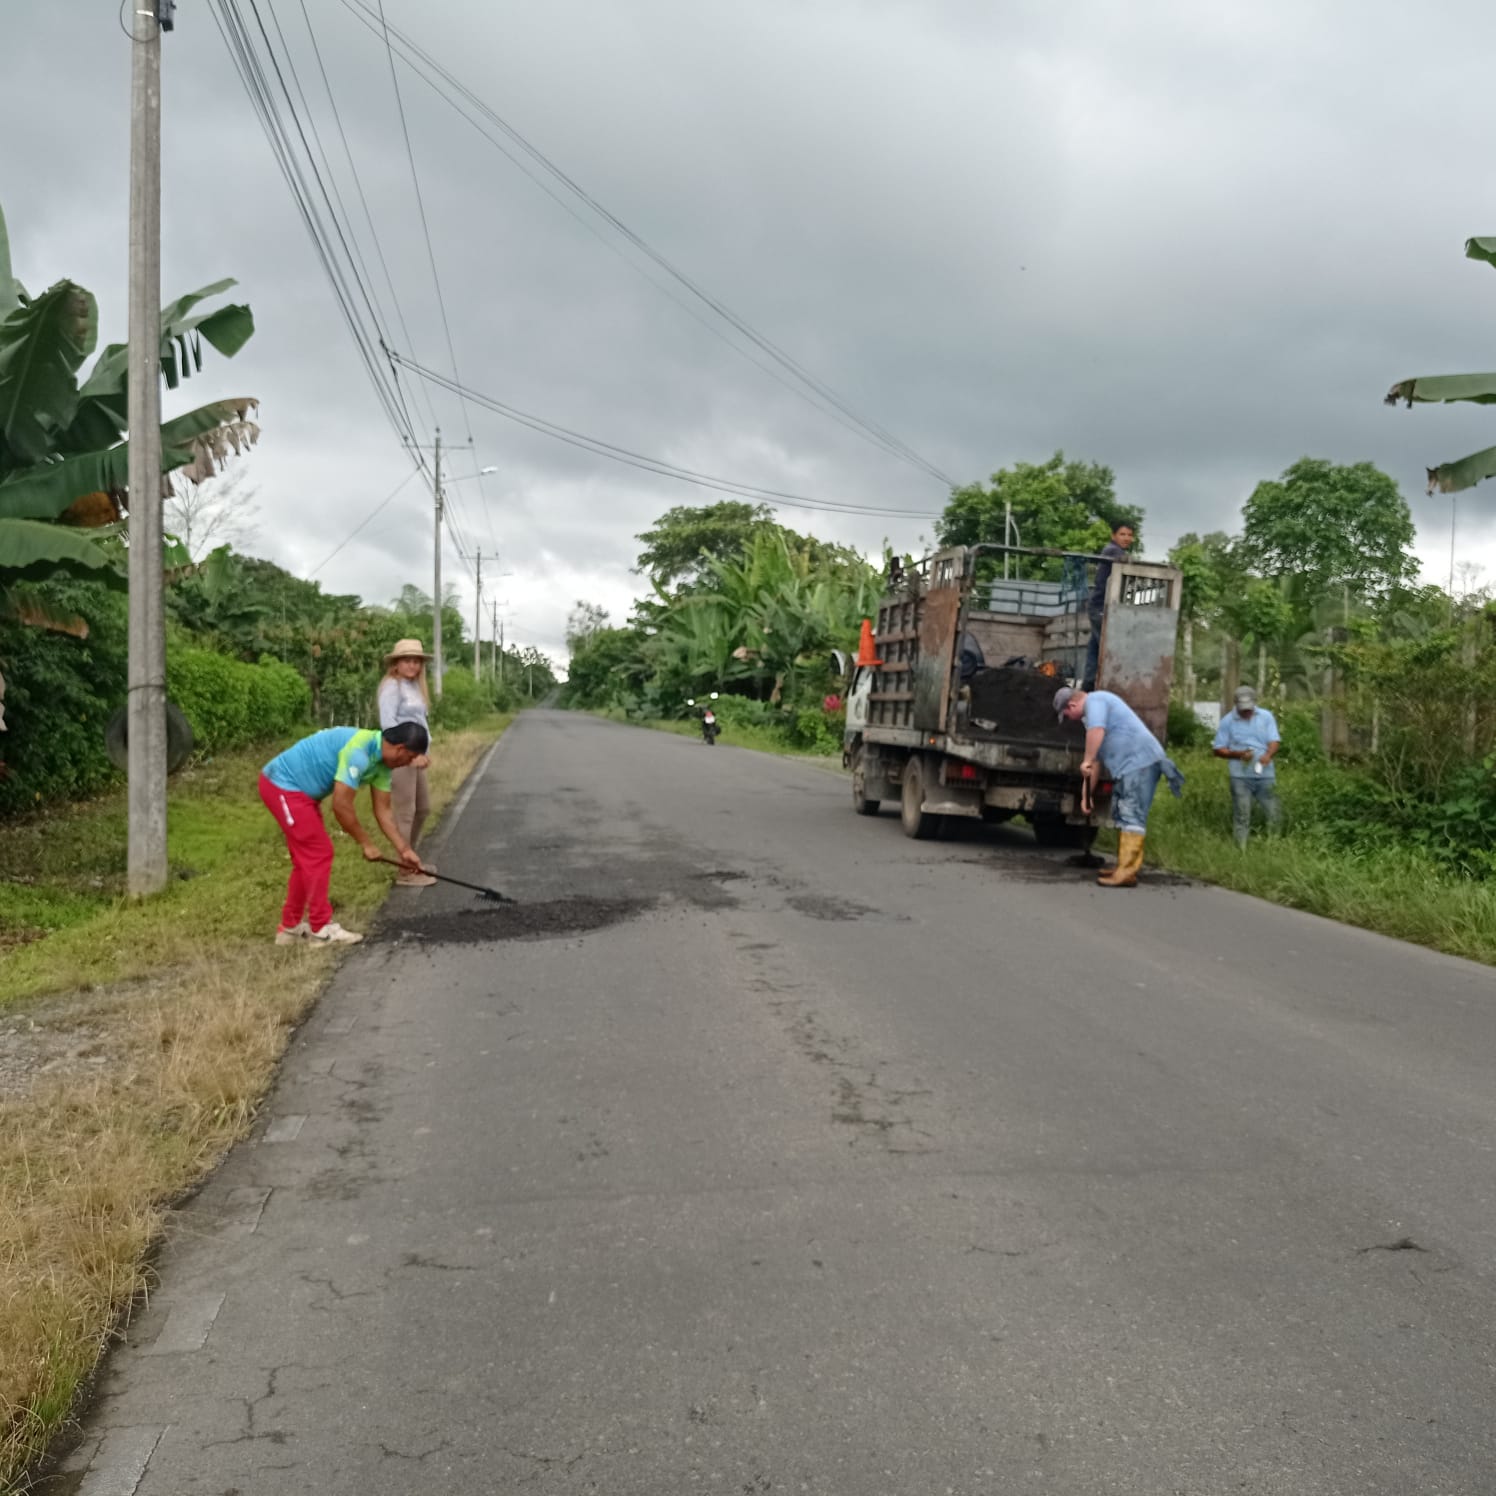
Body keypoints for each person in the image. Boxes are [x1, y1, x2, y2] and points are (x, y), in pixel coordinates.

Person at [258, 723, 427, 945]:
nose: (409, 763)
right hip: (282, 784)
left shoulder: (383, 766)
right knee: (318, 853)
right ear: (400, 748)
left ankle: (289, 929)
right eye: (410, 757)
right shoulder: (359, 751)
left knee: (306, 860)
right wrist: (366, 843)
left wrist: (404, 850)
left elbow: (383, 811)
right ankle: (321, 930)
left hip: (303, 795)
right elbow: (340, 806)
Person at [1055, 685, 1183, 887]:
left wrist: (1086, 759)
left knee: (1131, 814)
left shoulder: (1096, 701)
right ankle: (1123, 867)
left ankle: (1127, 872)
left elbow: (1096, 736)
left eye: (1067, 714)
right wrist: (1086, 796)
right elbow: (1095, 763)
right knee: (1123, 813)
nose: (1070, 719)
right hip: (1129, 768)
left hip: (1140, 763)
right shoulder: (1092, 717)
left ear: (1072, 705)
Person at [378, 638, 437, 888]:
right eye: (407, 660)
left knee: (423, 809)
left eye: (416, 661)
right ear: (397, 663)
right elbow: (388, 725)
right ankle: (405, 869)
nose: (412, 665)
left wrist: (423, 752)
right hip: (401, 756)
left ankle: (410, 857)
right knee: (405, 812)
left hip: (416, 756)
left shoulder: (414, 687)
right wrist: (407, 753)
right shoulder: (392, 687)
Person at [1212, 686, 1282, 847]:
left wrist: (1268, 755)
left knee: (1274, 812)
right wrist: (1238, 754)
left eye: (1248, 709)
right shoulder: (1228, 721)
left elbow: (1274, 740)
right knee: (1242, 814)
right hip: (1240, 776)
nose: (1246, 712)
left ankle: (1274, 845)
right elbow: (1218, 749)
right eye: (1243, 709)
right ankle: (1241, 849)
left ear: (1254, 703)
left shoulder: (1266, 717)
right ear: (1236, 705)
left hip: (1265, 774)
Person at [1082, 522, 1135, 690]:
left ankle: (1087, 687)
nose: (1126, 538)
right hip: (1101, 607)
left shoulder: (1111, 550)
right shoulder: (1113, 551)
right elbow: (1126, 564)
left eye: (1129, 535)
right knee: (1108, 648)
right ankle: (1110, 687)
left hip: (1099, 606)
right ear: (1113, 536)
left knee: (1095, 648)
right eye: (1122, 534)